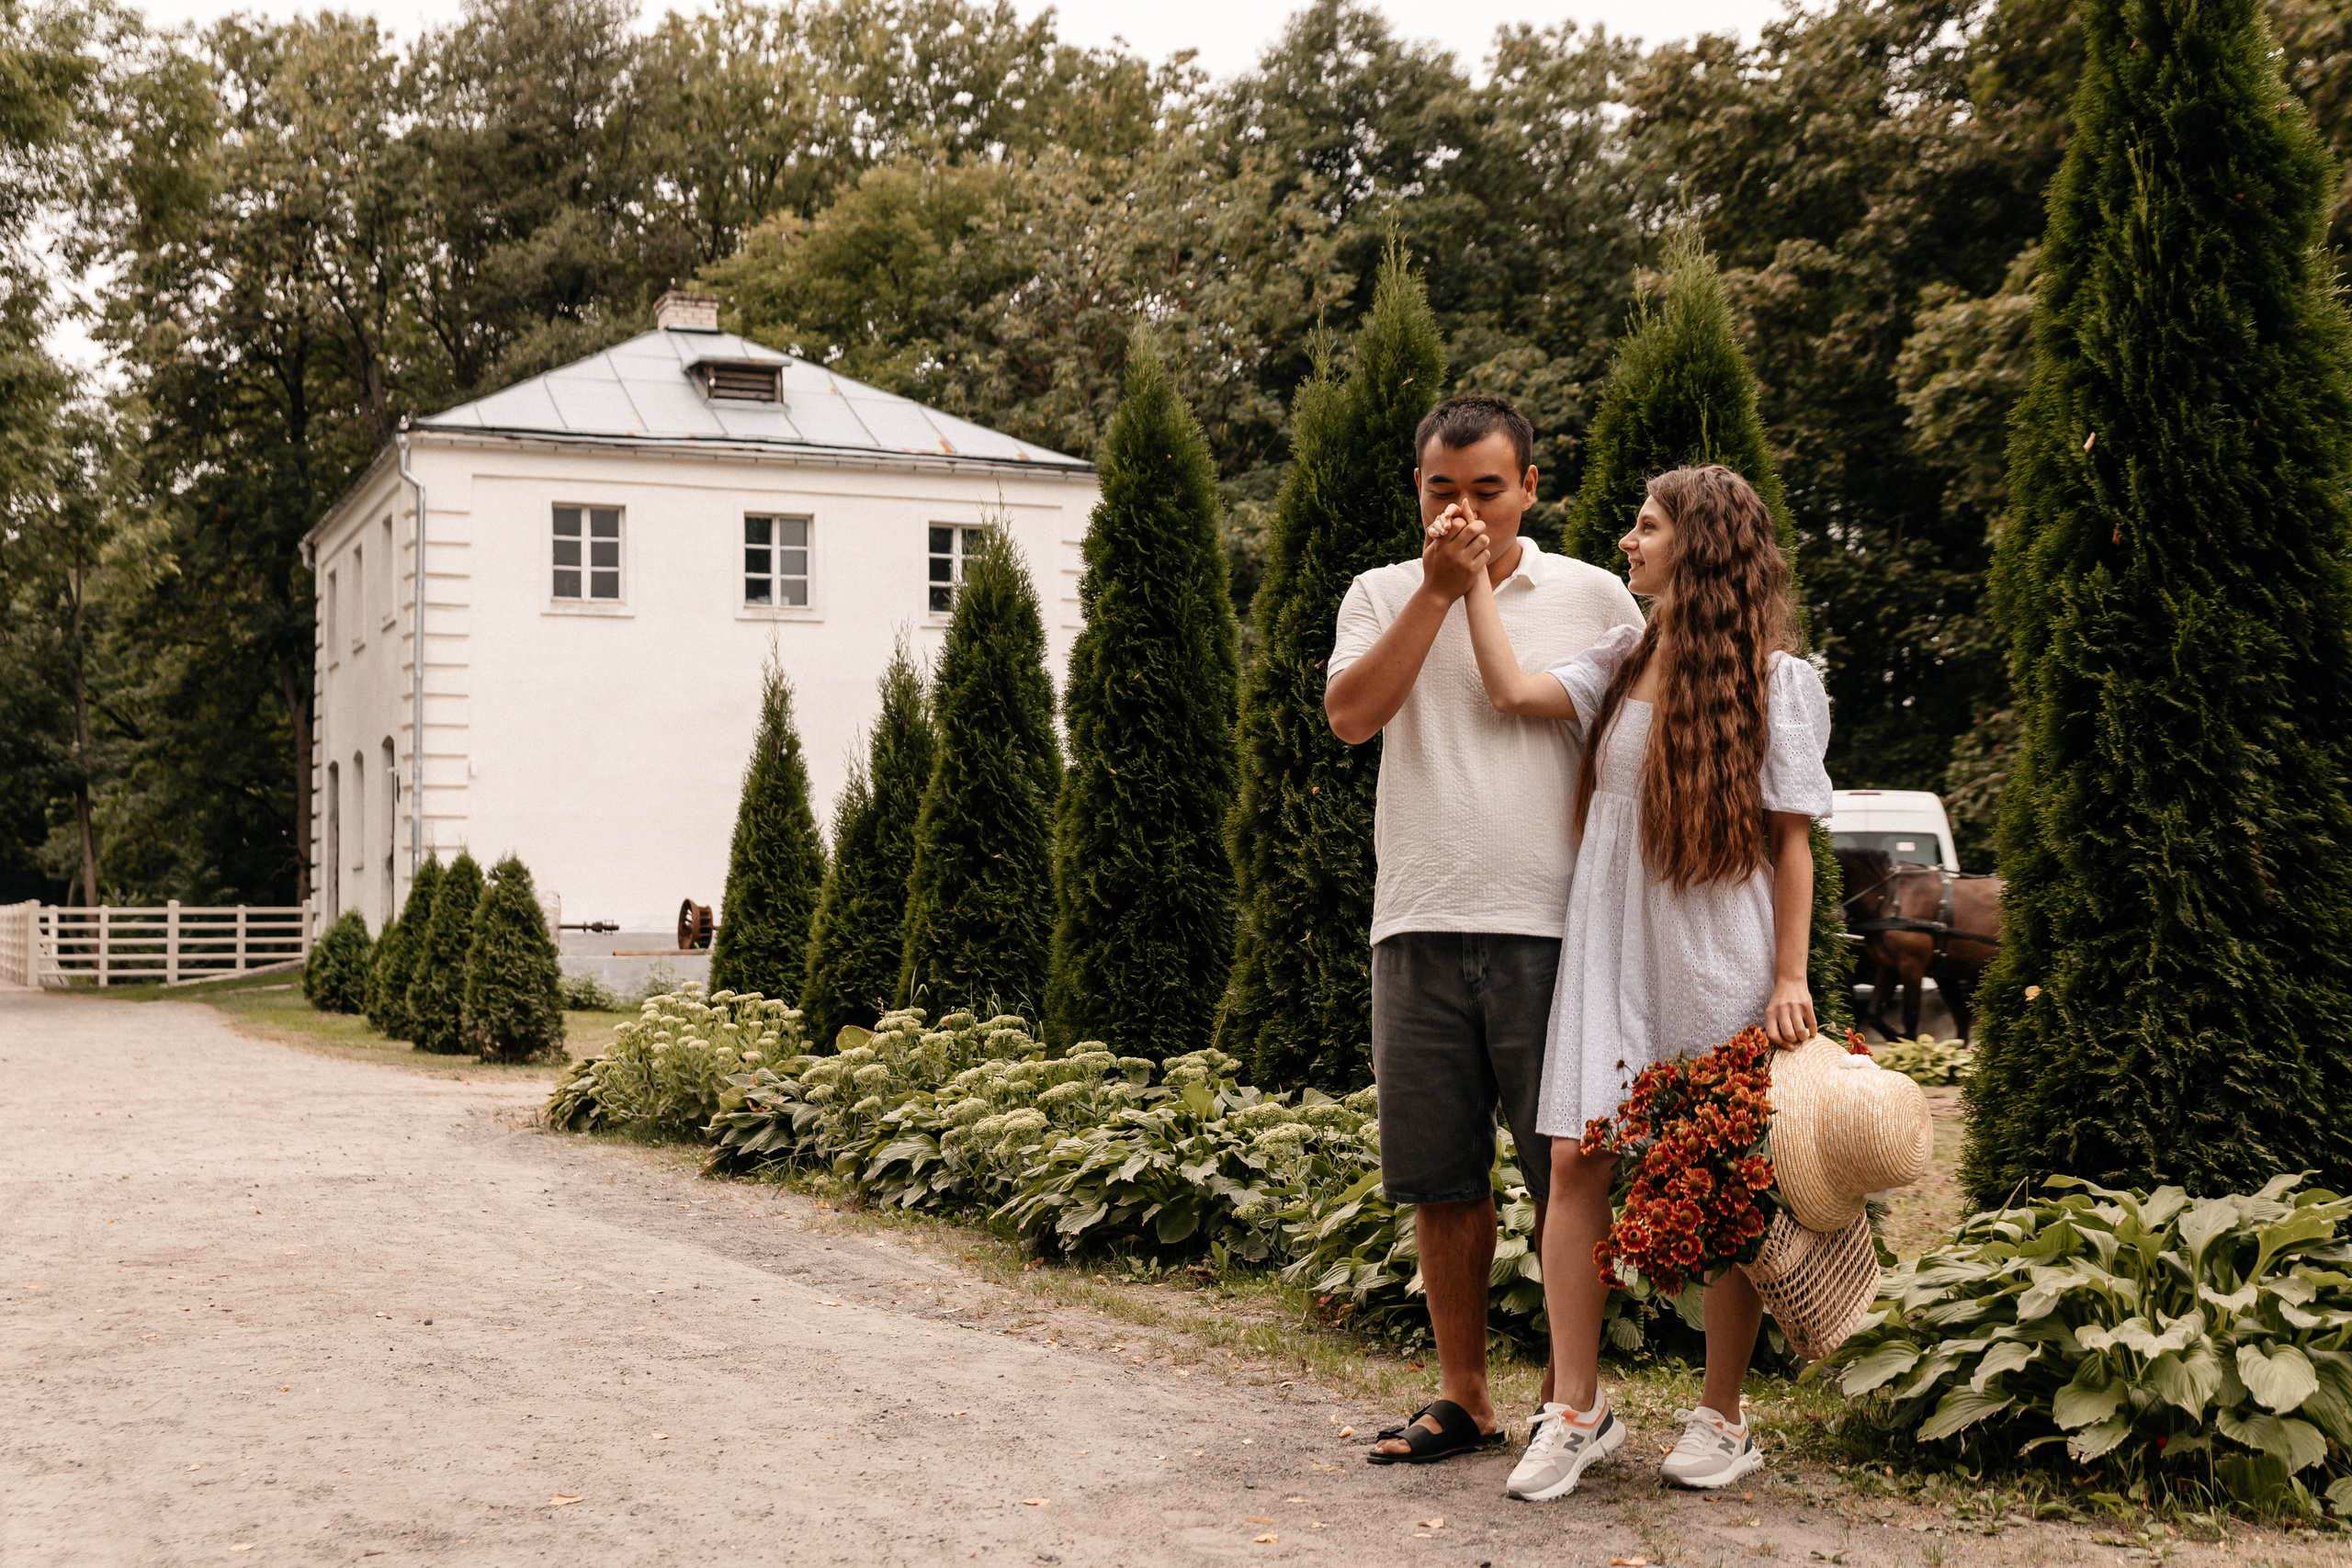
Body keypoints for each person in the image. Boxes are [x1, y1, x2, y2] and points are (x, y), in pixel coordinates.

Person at [1443, 463, 1833, 1501]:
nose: (1628, 541)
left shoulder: (1778, 681)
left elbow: (1790, 846)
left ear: (1698, 544)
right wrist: (1475, 578)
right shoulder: (1620, 657)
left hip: (1721, 956)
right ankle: (1577, 1408)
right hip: (1611, 948)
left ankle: (1724, 1416)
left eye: (1646, 526)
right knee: (1576, 1160)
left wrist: (1790, 976)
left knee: (1721, 1184)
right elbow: (1512, 692)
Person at [1325, 396, 1641, 1465]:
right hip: (1415, 917)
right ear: (1417, 493)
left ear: (1529, 489)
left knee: (1566, 1173)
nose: (1463, 510)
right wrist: (1437, 590)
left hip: (1554, 928)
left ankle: (1567, 1397)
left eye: (1486, 490)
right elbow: (1352, 715)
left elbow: (1647, 746)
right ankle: (1465, 1397)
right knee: (1441, 1178)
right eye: (1440, 491)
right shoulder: (1378, 591)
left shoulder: (1597, 597)